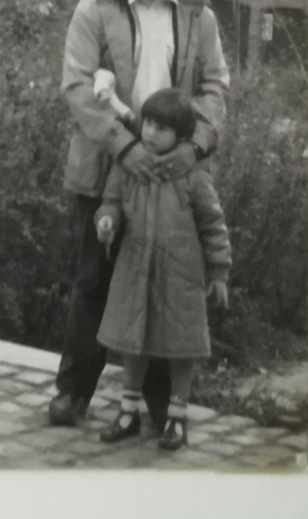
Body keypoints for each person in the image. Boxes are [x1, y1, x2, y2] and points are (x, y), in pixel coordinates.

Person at [47, 0, 230, 430]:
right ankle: (73, 393)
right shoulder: (94, 9)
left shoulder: (198, 14)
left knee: (164, 285)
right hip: (107, 170)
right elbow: (78, 87)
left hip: (174, 178)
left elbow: (216, 88)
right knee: (93, 283)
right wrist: (127, 149)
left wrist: (192, 148)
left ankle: (153, 404)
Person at [93, 88, 231, 451]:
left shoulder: (193, 176)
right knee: (133, 341)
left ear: (181, 136)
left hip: (180, 275)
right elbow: (111, 203)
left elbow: (213, 224)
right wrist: (106, 221)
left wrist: (219, 271)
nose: (150, 133)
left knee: (181, 346)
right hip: (135, 268)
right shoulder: (128, 167)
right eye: (148, 124)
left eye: (162, 128)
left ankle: (178, 416)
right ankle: (128, 410)